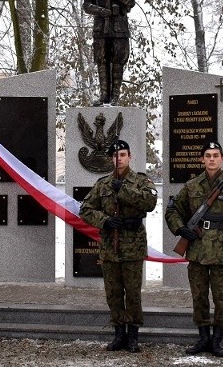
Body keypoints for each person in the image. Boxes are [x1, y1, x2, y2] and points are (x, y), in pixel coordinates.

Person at [165, 141, 223, 357]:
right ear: (202, 159)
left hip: (222, 250)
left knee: (221, 298)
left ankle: (218, 340)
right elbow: (173, 210)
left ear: (222, 158)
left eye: (215, 155)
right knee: (199, 296)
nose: (211, 159)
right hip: (197, 249)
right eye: (208, 155)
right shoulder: (192, 186)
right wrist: (181, 230)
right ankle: (203, 338)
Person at [79, 139, 157, 353]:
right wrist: (103, 220)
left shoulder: (141, 181)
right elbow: (85, 209)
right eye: (114, 156)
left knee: (132, 292)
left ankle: (133, 335)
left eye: (122, 155)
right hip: (110, 246)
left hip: (132, 245)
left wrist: (123, 190)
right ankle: (118, 333)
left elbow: (149, 203)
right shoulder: (102, 184)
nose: (118, 159)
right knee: (113, 293)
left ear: (129, 157)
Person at [83, 0, 135, 106]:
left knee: (118, 60)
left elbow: (131, 0)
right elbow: (86, 5)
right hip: (101, 27)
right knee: (101, 60)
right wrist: (101, 11)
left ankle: (115, 97)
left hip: (119, 27)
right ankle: (104, 95)